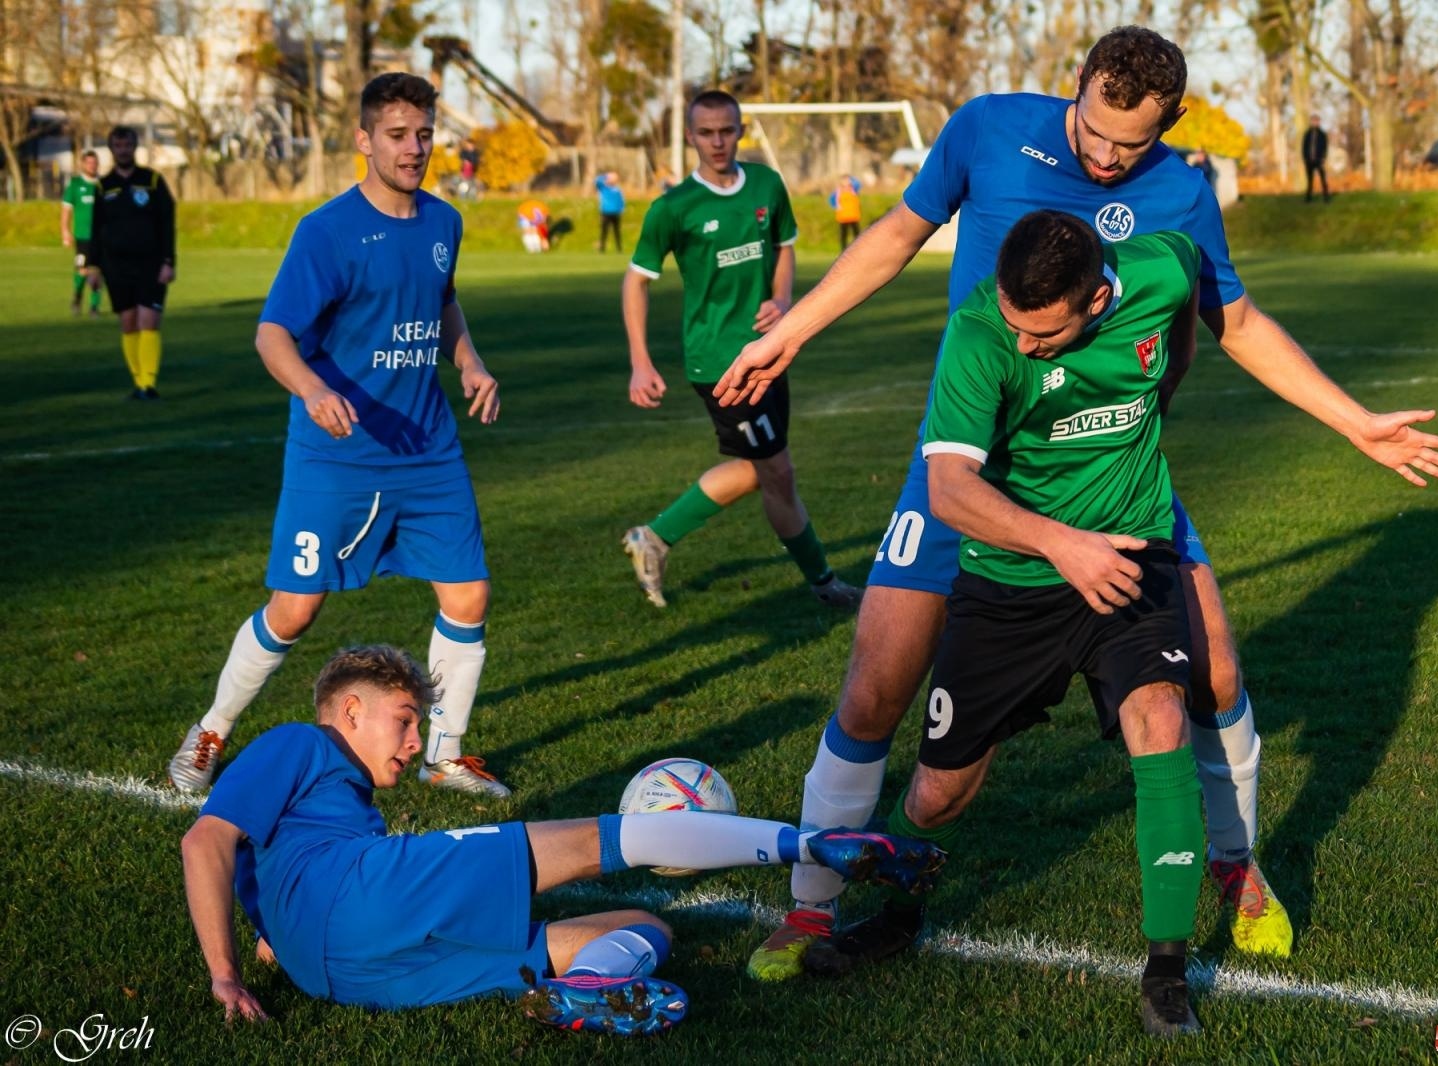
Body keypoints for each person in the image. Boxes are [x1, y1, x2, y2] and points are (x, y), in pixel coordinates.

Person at [717, 26, 1438, 982]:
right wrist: (792, 334)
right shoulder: (988, 130)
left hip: (1108, 476)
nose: (1107, 159)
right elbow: (898, 235)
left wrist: (1355, 423)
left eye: (1131, 143)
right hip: (967, 473)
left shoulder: (1181, 194)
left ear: (1171, 122)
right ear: (1076, 85)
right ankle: (812, 908)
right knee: (873, 691)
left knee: (1217, 672)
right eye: (1095, 132)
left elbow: (1232, 322)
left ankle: (1236, 866)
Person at [181, 644, 946, 1032]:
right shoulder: (301, 742)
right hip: (362, 895)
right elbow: (205, 841)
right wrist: (222, 973)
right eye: (405, 720)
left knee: (644, 928)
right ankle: (809, 845)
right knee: (590, 843)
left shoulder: (335, 809)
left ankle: (586, 990)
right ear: (349, 710)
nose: (415, 743)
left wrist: (265, 942)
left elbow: (259, 883)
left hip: (340, 974)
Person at [166, 73, 510, 799]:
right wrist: (314, 389)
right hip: (337, 455)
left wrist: (470, 361)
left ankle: (443, 754)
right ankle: (213, 728)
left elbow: (443, 302)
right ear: (363, 139)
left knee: (469, 596)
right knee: (295, 609)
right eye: (397, 135)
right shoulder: (326, 231)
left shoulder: (444, 222)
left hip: (427, 449)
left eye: (424, 134)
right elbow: (272, 334)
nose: (414, 149)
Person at [914, 211, 1205, 1033]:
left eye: (1043, 332)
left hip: (1130, 551)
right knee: (937, 797)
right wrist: (1060, 544)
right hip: (1012, 581)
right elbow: (949, 491)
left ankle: (1167, 970)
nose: (1024, 343)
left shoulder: (1159, 271)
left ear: (1098, 298)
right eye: (1015, 322)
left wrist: (1167, 381)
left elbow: (1187, 283)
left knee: (1162, 717)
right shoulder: (979, 335)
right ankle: (897, 905)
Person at [620, 90, 860, 610]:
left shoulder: (767, 185)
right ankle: (824, 585)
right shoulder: (674, 207)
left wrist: (782, 300)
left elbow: (784, 247)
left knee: (765, 471)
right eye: (706, 133)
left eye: (726, 130)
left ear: (741, 131)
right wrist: (640, 361)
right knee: (777, 472)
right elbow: (636, 280)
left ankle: (655, 538)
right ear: (690, 136)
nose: (717, 142)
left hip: (771, 351)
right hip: (720, 362)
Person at [88, 126, 175, 399]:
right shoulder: (104, 186)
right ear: (111, 149)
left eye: (127, 145)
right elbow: (95, 229)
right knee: (128, 322)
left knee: (149, 321)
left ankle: (149, 384)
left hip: (151, 264)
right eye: (118, 146)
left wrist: (169, 261)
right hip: (116, 266)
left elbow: (167, 223)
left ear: (135, 147)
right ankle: (138, 383)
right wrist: (93, 266)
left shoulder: (152, 181)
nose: (123, 150)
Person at [60, 149, 103, 317]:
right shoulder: (75, 185)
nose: (92, 166)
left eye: (95, 163)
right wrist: (65, 231)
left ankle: (94, 307)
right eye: (89, 162)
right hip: (82, 236)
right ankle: (77, 297)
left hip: (100, 237)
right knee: (82, 271)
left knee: (97, 272)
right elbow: (66, 210)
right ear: (83, 164)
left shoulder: (103, 185)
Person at [830, 173, 863, 252]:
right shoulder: (838, 191)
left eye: (848, 180)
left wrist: (851, 178)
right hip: (843, 216)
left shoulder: (853, 189)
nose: (846, 182)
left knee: (857, 234)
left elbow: (859, 183)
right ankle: (843, 250)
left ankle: (858, 249)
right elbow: (831, 201)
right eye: (844, 180)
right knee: (843, 234)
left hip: (854, 215)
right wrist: (836, 207)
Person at [1301, 115, 1329, 203]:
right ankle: (1308, 198)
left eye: (1316, 121)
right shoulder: (1307, 134)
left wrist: (1323, 158)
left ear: (1319, 122)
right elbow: (1304, 147)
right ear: (1311, 122)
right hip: (1309, 160)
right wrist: (1305, 158)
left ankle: (1326, 197)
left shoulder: (1322, 134)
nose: (1315, 123)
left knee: (1323, 178)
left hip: (1319, 160)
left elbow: (1325, 147)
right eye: (1313, 121)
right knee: (1310, 180)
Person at [596, 170, 625, 252]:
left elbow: (621, 200)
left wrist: (621, 208)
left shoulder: (617, 189)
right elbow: (597, 180)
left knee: (617, 231)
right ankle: (602, 248)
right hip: (605, 212)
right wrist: (606, 176)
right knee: (604, 231)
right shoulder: (603, 187)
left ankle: (619, 248)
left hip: (616, 212)